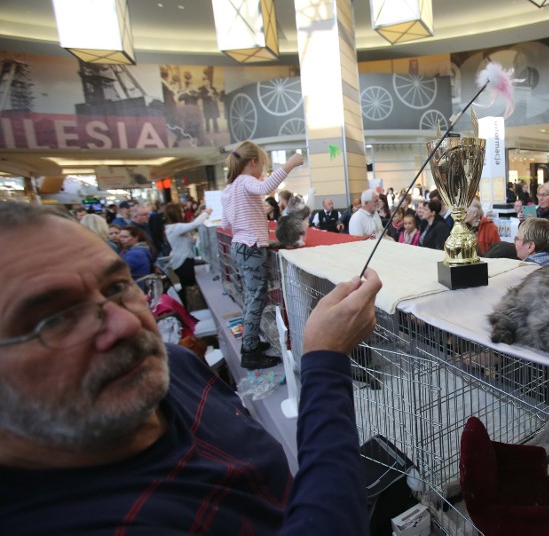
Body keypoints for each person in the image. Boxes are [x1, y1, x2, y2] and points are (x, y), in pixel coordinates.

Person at [0, 200, 377, 535]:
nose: (127, 323)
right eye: (54, 319)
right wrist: (325, 360)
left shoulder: (176, 366)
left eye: (117, 287)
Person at [222, 140, 304, 370]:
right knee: (256, 298)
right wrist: (290, 163)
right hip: (251, 248)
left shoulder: (229, 189)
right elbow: (265, 186)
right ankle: (249, 352)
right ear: (254, 162)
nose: (262, 172)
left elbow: (227, 223)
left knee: (251, 297)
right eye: (262, 165)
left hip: (241, 246)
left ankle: (251, 342)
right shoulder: (247, 181)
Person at [163, 202, 211, 307]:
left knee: (187, 286)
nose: (183, 214)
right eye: (181, 212)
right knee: (189, 288)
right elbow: (195, 224)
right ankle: (192, 306)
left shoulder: (172, 228)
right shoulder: (175, 227)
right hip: (183, 261)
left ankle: (190, 307)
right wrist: (206, 213)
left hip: (181, 261)